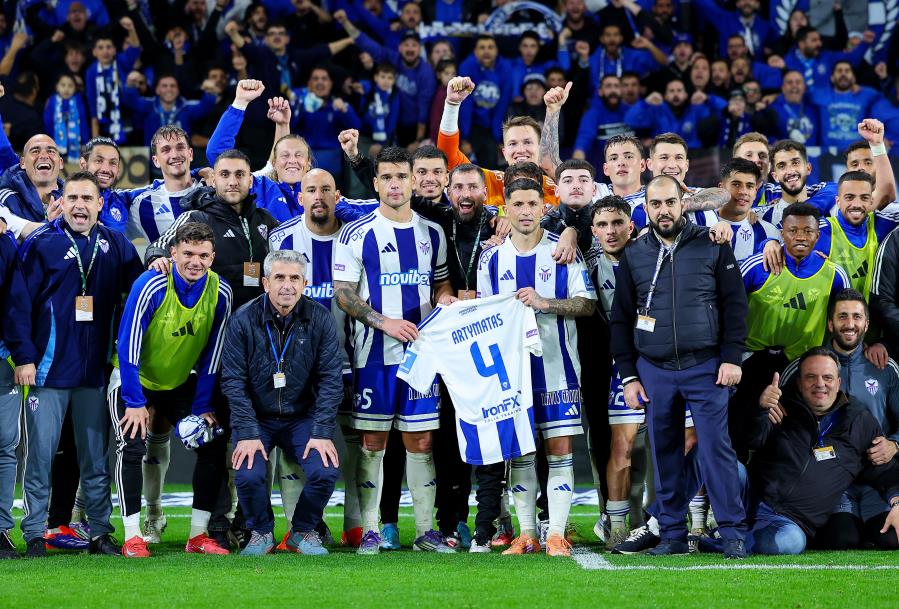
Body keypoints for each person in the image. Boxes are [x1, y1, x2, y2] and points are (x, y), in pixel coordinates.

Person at [610, 174, 748, 558]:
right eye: (655, 204)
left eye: (670, 202)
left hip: (705, 366)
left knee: (716, 450)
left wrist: (732, 358)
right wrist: (630, 376)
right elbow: (621, 320)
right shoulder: (634, 255)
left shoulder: (713, 244)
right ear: (646, 208)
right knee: (664, 453)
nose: (663, 210)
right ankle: (671, 534)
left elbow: (735, 305)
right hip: (653, 369)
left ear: (682, 203)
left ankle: (732, 533)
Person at [6, 171, 143, 557]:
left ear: (100, 204)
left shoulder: (116, 243)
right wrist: (24, 357)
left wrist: (157, 263)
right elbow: (19, 305)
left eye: (87, 199)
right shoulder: (41, 243)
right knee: (40, 458)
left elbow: (139, 292)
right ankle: (36, 533)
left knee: (95, 458)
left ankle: (99, 533)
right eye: (73, 198)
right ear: (60, 203)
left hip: (94, 373)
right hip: (47, 372)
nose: (80, 206)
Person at [332, 146, 455, 555]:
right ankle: (370, 529)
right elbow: (344, 294)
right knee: (373, 442)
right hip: (373, 355)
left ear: (413, 181)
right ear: (376, 183)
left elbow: (440, 282)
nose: (395, 184)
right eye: (386, 177)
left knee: (421, 442)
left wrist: (446, 298)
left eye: (402, 176)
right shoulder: (356, 234)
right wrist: (384, 322)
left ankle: (425, 532)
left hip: (421, 356)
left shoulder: (432, 233)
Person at [477, 178, 596, 557]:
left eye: (533, 204)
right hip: (513, 375)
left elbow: (586, 304)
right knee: (521, 453)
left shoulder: (563, 251)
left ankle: (556, 533)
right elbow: (482, 315)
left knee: (559, 449)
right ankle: (527, 533)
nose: (526, 211)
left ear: (544, 207)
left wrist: (546, 303)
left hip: (558, 368)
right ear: (506, 208)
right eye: (518, 204)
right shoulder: (491, 259)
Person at [111, 222, 233, 558]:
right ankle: (133, 536)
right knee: (132, 444)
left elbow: (213, 356)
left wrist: (203, 405)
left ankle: (197, 535)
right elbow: (128, 346)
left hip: (178, 382)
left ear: (212, 257)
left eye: (203, 255)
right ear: (173, 252)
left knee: (212, 441)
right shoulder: (150, 284)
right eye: (188, 253)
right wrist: (134, 402)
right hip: (133, 379)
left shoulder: (221, 292)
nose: (195, 261)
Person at [222, 249, 343, 556]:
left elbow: (331, 380)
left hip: (302, 417)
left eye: (294, 278)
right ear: (265, 283)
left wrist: (321, 431)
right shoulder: (242, 319)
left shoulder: (321, 318)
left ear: (305, 284)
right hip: (257, 417)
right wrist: (247, 432)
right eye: (279, 277)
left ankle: (301, 531)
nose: (287, 285)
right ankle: (261, 532)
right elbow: (233, 381)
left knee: (326, 471)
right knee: (247, 474)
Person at [267, 168, 364, 549]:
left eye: (326, 189)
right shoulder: (282, 238)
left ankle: (356, 524)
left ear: (338, 196)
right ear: (300, 196)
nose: (319, 196)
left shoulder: (356, 235)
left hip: (352, 358)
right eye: (311, 189)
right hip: (297, 366)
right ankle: (302, 526)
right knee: (296, 445)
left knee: (358, 441)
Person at [739, 347, 899, 554]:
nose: (820, 384)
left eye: (827, 377)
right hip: (749, 496)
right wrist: (760, 410)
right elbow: (749, 441)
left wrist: (897, 503)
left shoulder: (859, 420)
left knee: (792, 543)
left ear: (839, 382)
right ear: (799, 382)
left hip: (790, 522)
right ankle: (703, 522)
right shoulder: (781, 405)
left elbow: (884, 470)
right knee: (725, 464)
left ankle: (726, 539)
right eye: (811, 377)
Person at [780, 290, 899, 550]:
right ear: (830, 323)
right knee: (841, 539)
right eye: (842, 316)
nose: (850, 324)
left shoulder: (885, 367)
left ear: (866, 324)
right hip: (831, 481)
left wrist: (894, 443)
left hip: (877, 478)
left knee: (890, 539)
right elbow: (777, 419)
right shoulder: (808, 367)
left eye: (857, 317)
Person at [734, 203, 850, 457]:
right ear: (782, 233)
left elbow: (847, 320)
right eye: (793, 230)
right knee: (741, 430)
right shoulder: (756, 267)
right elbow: (726, 309)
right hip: (749, 362)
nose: (800, 236)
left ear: (817, 236)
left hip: (800, 368)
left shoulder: (835, 275)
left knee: (791, 437)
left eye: (808, 231)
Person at [144, 149, 279, 309]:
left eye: (240, 174)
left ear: (250, 181)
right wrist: (157, 257)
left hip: (257, 316)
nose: (233, 182)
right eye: (224, 174)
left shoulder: (264, 219)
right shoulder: (196, 218)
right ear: (213, 180)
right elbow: (160, 245)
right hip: (212, 317)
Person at [437, 76, 559, 212]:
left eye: (527, 142)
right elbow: (447, 157)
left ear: (540, 149)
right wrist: (452, 104)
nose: (520, 149)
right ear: (504, 153)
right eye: (512, 144)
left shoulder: (557, 190)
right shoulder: (488, 182)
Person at [0, 229, 18, 559]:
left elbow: (17, 300)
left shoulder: (7, 244)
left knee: (4, 446)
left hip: (2, 357)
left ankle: (0, 528)